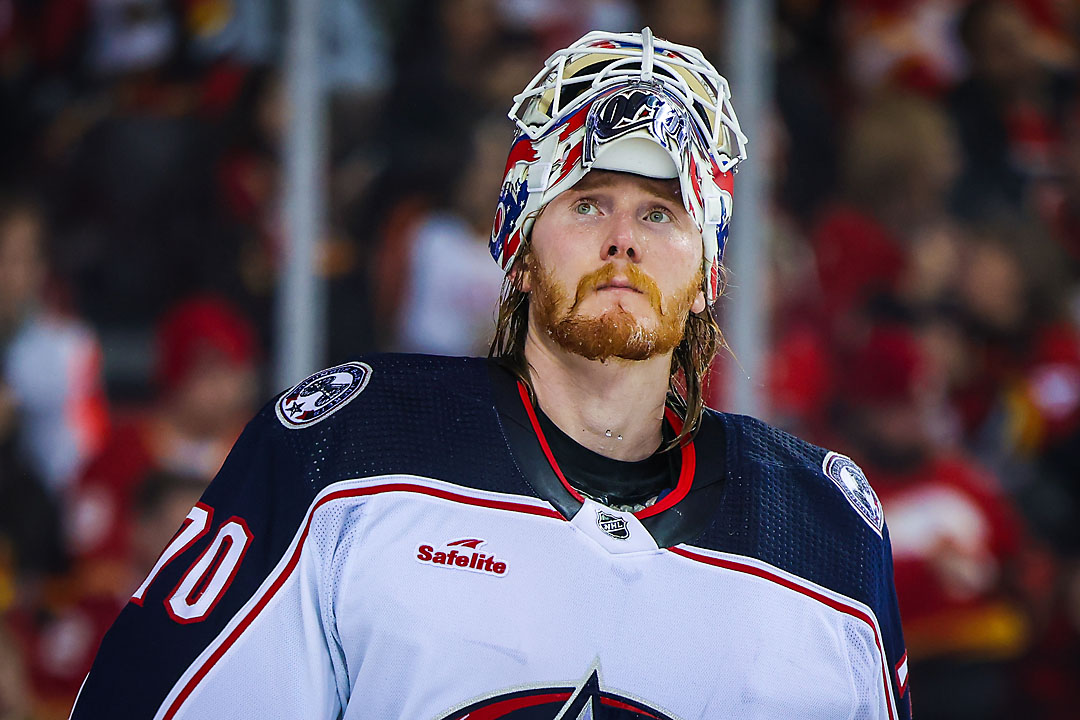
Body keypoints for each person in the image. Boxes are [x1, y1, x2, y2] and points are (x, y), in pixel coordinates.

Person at [71, 28, 911, 719]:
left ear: (707, 276)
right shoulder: (351, 450)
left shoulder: (824, 535)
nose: (624, 239)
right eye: (587, 203)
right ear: (516, 241)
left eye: (660, 213)